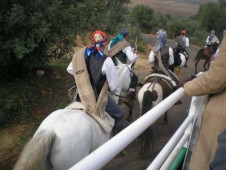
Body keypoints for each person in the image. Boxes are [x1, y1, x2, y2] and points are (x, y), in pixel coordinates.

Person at [183, 30, 226, 170]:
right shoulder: (213, 38)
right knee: (183, 53)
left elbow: (216, 78)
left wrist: (187, 87)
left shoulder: (211, 38)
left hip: (220, 116)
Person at [67, 30, 124, 131]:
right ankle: (115, 140)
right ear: (105, 43)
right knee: (119, 115)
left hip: (80, 95)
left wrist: (83, 77)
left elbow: (70, 69)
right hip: (97, 98)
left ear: (92, 40)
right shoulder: (107, 60)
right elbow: (114, 88)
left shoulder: (80, 54)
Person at [106, 28, 138, 100]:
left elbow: (109, 51)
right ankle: (130, 94)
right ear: (126, 36)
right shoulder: (126, 45)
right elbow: (131, 58)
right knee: (135, 78)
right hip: (121, 66)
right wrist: (135, 54)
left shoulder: (112, 41)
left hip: (111, 64)